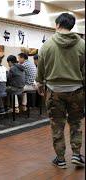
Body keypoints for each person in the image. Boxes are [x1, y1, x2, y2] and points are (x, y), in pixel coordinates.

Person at [36, 13, 85, 169]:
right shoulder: (82, 44)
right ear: (71, 26)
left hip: (53, 91)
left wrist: (39, 83)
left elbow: (41, 70)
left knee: (57, 124)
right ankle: (76, 155)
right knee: (76, 123)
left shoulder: (47, 45)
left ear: (57, 25)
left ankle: (61, 158)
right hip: (76, 90)